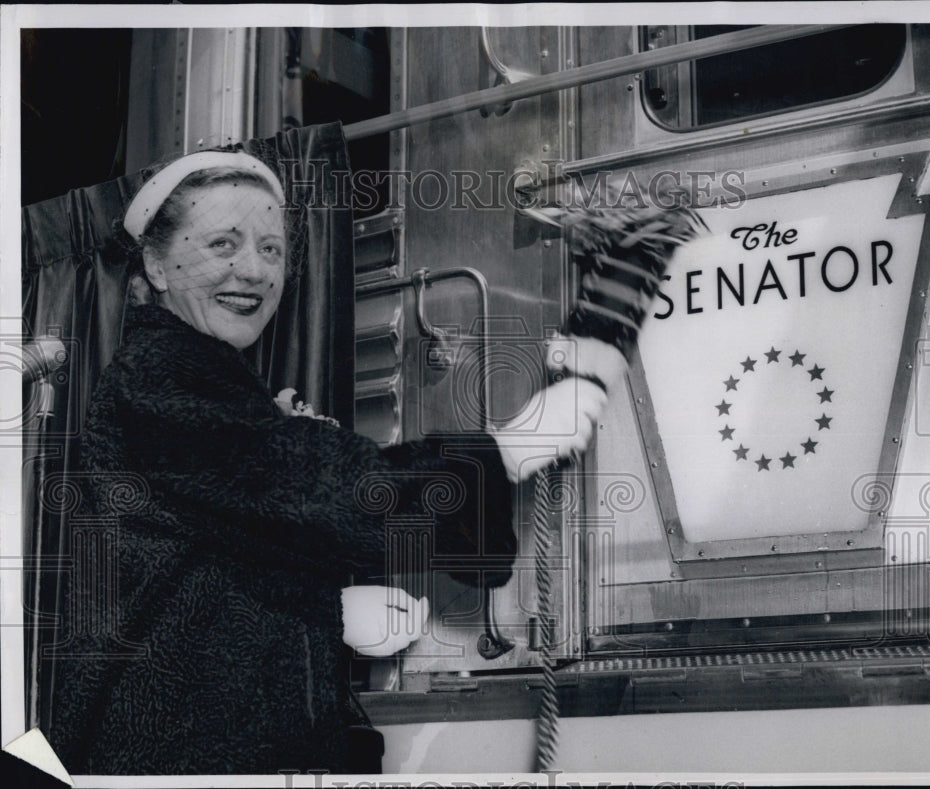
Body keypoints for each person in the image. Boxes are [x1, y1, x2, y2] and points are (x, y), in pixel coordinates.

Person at [43, 150, 624, 775]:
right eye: (222, 243)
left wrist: (327, 604)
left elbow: (250, 530)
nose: (253, 271)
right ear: (156, 264)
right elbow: (308, 487)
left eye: (271, 250)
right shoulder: (159, 371)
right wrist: (507, 449)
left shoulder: (203, 377)